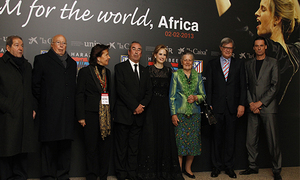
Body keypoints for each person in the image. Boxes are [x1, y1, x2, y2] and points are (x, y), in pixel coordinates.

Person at [32, 34, 77, 180]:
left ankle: (63, 175)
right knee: (49, 148)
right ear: (52, 44)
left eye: (64, 43)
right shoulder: (42, 60)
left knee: (65, 147)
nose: (61, 45)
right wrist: (46, 102)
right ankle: (48, 176)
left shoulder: (72, 63)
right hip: (49, 113)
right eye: (58, 42)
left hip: (67, 113)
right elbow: (35, 86)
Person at [138, 45, 184, 180]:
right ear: (154, 55)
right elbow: (144, 91)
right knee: (150, 137)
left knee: (164, 138)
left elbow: (173, 92)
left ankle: (163, 171)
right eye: (160, 54)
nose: (162, 57)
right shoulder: (147, 70)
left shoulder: (170, 71)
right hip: (151, 108)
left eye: (164, 55)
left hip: (164, 108)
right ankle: (150, 172)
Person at [239, 37, 282, 180]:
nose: (259, 48)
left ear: (265, 47)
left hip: (268, 107)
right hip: (252, 108)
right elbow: (245, 85)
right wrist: (251, 103)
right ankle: (252, 167)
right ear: (253, 48)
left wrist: (260, 103)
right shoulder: (248, 64)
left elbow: (275, 86)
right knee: (250, 140)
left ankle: (276, 170)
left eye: (261, 46)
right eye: (256, 46)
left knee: (272, 141)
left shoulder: (273, 63)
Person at [206, 37, 247, 178]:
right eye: (225, 47)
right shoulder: (212, 64)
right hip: (216, 107)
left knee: (230, 139)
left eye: (230, 48)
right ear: (221, 48)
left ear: (232, 49)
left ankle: (229, 167)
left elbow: (243, 86)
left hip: (233, 108)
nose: (228, 50)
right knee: (216, 139)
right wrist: (209, 105)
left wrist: (242, 104)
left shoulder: (239, 64)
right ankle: (216, 167)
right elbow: (209, 86)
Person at [114, 41, 152, 180]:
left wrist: (141, 106)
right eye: (133, 49)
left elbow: (149, 92)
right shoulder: (120, 68)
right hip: (124, 114)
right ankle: (121, 173)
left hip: (139, 116)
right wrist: (134, 106)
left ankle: (132, 172)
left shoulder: (145, 70)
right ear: (129, 52)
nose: (136, 52)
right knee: (121, 146)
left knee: (134, 147)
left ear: (141, 53)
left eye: (139, 50)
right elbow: (121, 90)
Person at [0, 35, 37, 180]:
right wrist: (7, 106)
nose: (20, 48)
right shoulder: (1, 64)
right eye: (16, 45)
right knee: (7, 150)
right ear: (8, 48)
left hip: (25, 116)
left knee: (23, 151)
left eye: (21, 45)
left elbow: (32, 90)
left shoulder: (27, 66)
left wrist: (33, 107)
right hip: (7, 117)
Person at [76, 44, 113, 180]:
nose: (109, 57)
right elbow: (79, 94)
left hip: (106, 117)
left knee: (105, 149)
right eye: (106, 54)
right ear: (97, 58)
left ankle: (103, 176)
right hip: (90, 115)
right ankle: (91, 176)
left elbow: (110, 94)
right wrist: (81, 116)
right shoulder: (85, 72)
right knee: (91, 149)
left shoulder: (107, 73)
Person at [169, 51, 206, 179]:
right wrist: (173, 114)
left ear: (193, 62)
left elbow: (203, 96)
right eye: (185, 60)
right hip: (180, 114)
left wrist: (196, 97)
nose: (187, 62)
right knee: (180, 144)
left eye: (190, 60)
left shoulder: (198, 76)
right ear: (181, 61)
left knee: (193, 143)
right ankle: (178, 171)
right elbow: (172, 97)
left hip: (195, 114)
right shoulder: (175, 75)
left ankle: (188, 169)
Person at [255, 0, 300, 105]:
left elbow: (232, 20)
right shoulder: (294, 51)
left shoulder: (272, 51)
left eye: (263, 9)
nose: (256, 13)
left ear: (276, 19)